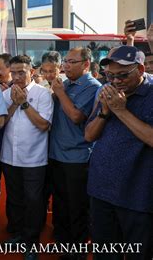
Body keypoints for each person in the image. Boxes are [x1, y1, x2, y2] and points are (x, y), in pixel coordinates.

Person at [84, 46, 152, 260]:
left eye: (122, 75)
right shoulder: (106, 91)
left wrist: (121, 111)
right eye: (110, 75)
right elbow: (88, 135)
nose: (115, 81)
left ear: (140, 70)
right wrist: (105, 112)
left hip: (138, 196)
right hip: (101, 190)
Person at [48, 47, 101, 257]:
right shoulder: (66, 84)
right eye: (65, 62)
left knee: (77, 207)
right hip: (56, 154)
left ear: (86, 64)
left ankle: (77, 249)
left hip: (78, 158)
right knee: (60, 204)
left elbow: (77, 117)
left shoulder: (92, 86)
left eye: (71, 62)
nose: (65, 66)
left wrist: (59, 93)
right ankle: (62, 243)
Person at [0, 55, 53, 260]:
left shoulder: (42, 94)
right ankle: (18, 234)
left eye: (21, 71)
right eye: (13, 72)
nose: (17, 76)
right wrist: (14, 103)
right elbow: (1, 122)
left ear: (32, 71)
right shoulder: (6, 94)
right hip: (9, 156)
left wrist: (23, 103)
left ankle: (32, 241)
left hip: (34, 158)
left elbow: (43, 125)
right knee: (14, 198)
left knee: (33, 200)